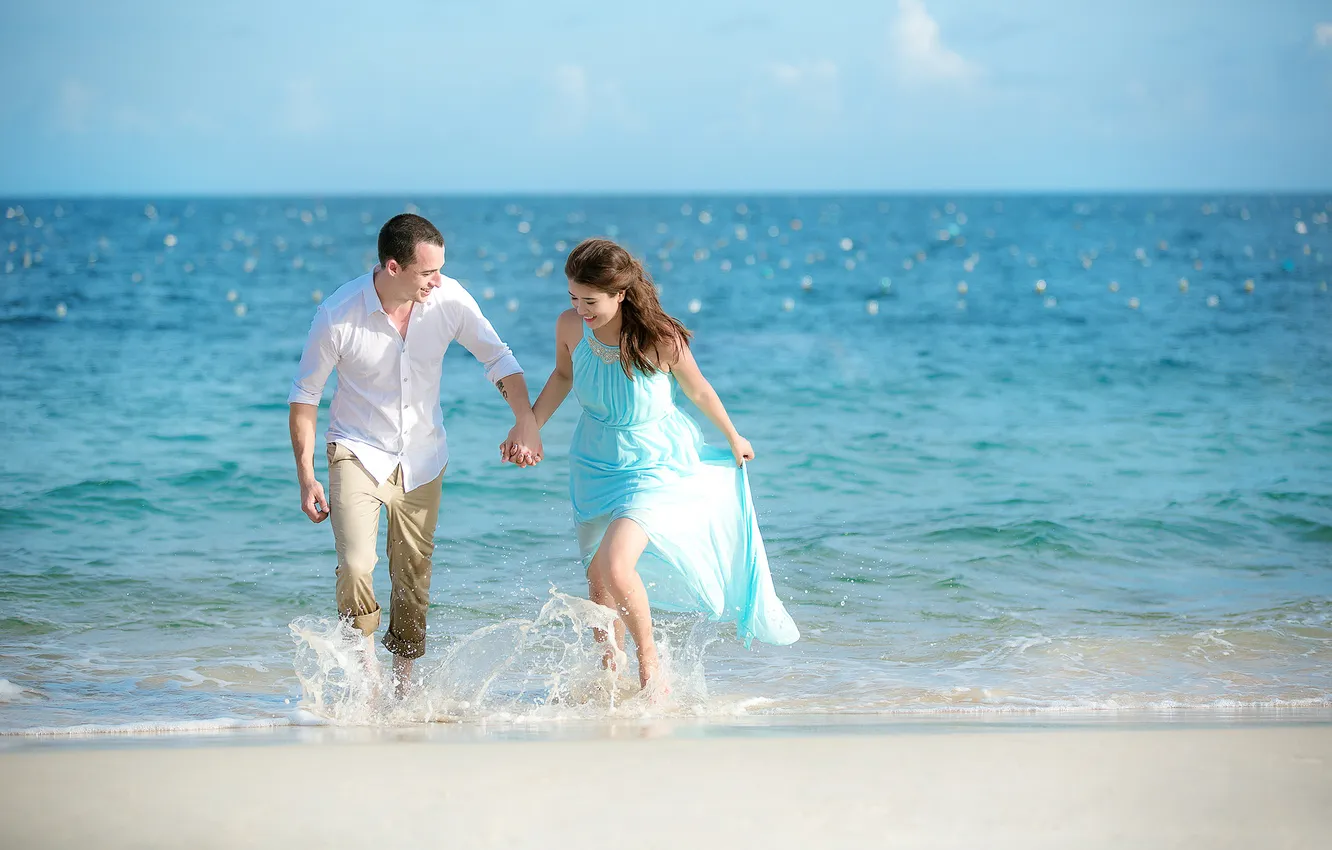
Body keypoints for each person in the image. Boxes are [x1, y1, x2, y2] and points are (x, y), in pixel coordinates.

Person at [514, 237, 799, 690]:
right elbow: (563, 376)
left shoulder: (659, 338)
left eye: (590, 301)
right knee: (597, 578)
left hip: (655, 463)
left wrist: (733, 436)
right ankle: (610, 673)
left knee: (617, 565)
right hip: (594, 461)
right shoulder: (570, 326)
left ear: (620, 293)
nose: (580, 309)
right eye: (573, 298)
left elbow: (698, 389)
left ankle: (650, 667)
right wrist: (530, 425)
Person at [289, 213, 540, 696]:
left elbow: (497, 358)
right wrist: (306, 475)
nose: (437, 280)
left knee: (412, 576)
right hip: (357, 451)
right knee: (356, 565)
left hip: (423, 456)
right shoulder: (338, 314)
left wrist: (524, 420)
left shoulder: (449, 299)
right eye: (428, 272)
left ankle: (404, 686)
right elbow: (305, 397)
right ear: (393, 267)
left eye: (440, 269)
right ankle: (368, 680)